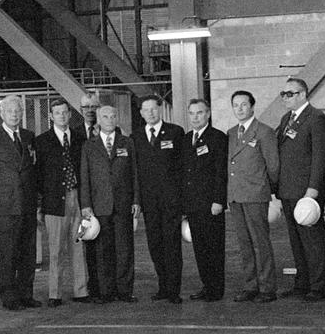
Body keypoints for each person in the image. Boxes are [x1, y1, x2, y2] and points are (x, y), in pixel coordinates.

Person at [0, 95, 40, 312]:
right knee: (7, 253)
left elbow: (34, 169)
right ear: (2, 113)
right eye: (10, 111)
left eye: (18, 111)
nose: (15, 114)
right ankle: (10, 297)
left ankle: (26, 294)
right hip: (5, 206)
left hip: (28, 205)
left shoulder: (29, 137)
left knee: (28, 252)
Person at [275, 78, 325, 301]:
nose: (285, 97)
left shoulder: (317, 118)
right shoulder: (286, 119)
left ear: (302, 94)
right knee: (296, 241)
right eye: (283, 93)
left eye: (289, 94)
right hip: (288, 190)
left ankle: (319, 286)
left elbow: (320, 156)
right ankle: (302, 283)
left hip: (307, 191)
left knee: (313, 241)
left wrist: (313, 189)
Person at [79, 104, 139, 303]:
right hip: (99, 205)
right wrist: (86, 205)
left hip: (123, 205)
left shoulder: (127, 143)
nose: (110, 120)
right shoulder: (89, 146)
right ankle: (105, 291)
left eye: (113, 116)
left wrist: (136, 200)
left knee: (125, 249)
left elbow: (134, 174)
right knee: (102, 251)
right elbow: (84, 178)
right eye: (105, 116)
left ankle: (125, 291)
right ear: (98, 120)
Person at [35, 95, 90, 307]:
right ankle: (54, 293)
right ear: (51, 116)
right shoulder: (41, 142)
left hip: (77, 197)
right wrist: (40, 204)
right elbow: (37, 175)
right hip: (53, 201)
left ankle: (81, 290)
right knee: (56, 248)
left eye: (65, 112)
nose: (62, 116)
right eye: (57, 113)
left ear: (69, 114)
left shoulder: (79, 139)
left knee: (78, 245)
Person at [131, 95, 186, 304]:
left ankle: (174, 290)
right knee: (155, 245)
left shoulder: (175, 132)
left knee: (172, 244)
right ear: (141, 113)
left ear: (160, 109)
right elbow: (135, 172)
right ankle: (163, 286)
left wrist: (182, 200)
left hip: (171, 201)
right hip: (149, 203)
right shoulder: (135, 136)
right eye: (146, 110)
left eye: (154, 109)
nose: (150, 113)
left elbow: (182, 168)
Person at [227, 89, 280, 303]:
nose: (239, 109)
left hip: (256, 194)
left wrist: (268, 190)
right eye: (236, 105)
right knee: (244, 243)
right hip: (236, 195)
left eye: (243, 105)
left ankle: (267, 288)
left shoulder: (264, 132)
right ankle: (250, 286)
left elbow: (273, 166)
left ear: (252, 106)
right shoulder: (231, 133)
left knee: (260, 242)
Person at [181, 97, 228, 301]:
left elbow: (220, 172)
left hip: (211, 204)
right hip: (192, 204)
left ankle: (216, 289)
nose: (195, 117)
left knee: (214, 247)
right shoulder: (186, 139)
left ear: (208, 114)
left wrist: (219, 200)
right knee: (200, 248)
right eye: (192, 113)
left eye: (199, 113)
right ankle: (206, 285)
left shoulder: (217, 137)